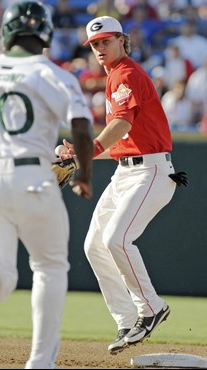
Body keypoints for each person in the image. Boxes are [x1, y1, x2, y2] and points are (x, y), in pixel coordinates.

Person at [0, 1, 93, 369]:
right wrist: (85, 175)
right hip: (31, 177)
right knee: (50, 267)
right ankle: (40, 362)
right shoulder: (50, 73)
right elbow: (81, 126)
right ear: (45, 35)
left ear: (6, 32)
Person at [61, 15, 187, 355]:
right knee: (94, 245)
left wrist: (89, 150)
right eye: (95, 44)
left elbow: (119, 125)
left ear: (122, 40)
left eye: (106, 41)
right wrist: (78, 154)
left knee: (116, 238)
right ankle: (126, 318)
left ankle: (152, 308)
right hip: (127, 171)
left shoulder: (126, 73)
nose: (100, 48)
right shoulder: (114, 77)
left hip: (152, 173)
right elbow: (120, 143)